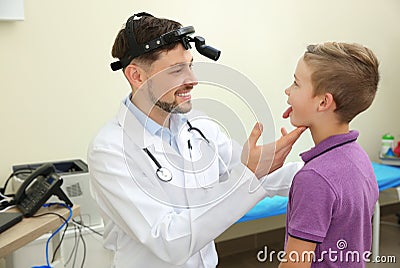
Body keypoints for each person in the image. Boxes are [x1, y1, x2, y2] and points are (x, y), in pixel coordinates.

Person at [88, 12, 305, 268]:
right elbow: (168, 241)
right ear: (136, 76)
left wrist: (327, 171)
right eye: (176, 70)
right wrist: (250, 175)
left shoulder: (199, 127)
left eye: (189, 66)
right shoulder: (110, 150)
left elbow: (259, 174)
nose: (192, 80)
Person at [279, 42, 380, 267]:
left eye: (296, 83)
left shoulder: (313, 178)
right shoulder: (359, 158)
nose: (288, 90)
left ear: (324, 102)